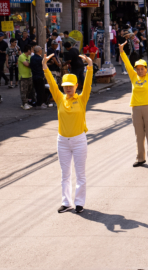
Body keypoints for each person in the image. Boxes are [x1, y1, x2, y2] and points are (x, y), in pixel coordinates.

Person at [43, 52, 93, 213]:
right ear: (63, 87)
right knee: (65, 174)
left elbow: (89, 85)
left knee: (80, 174)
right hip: (62, 141)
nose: (69, 88)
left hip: (79, 140)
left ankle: (79, 202)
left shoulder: (82, 98)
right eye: (66, 86)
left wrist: (90, 66)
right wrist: (45, 67)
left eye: (71, 85)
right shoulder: (59, 98)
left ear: (76, 86)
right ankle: (66, 202)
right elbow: (51, 83)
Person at [119, 40, 148, 167]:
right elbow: (127, 64)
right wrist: (121, 51)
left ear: (146, 69)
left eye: (142, 69)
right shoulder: (133, 77)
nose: (140, 71)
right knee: (139, 135)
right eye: (138, 69)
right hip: (136, 108)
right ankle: (140, 158)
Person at [18, 45, 33, 110]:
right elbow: (27, 64)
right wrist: (32, 65)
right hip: (23, 77)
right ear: (29, 50)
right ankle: (24, 104)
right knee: (23, 91)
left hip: (29, 76)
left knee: (28, 90)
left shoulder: (29, 57)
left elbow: (30, 64)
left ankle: (26, 103)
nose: (32, 51)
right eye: (31, 50)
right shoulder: (21, 56)